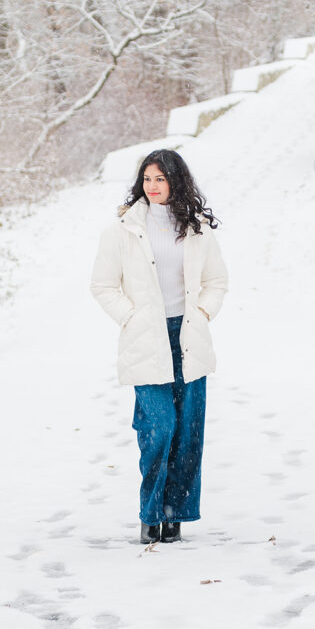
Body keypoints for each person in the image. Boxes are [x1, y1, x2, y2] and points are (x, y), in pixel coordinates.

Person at [90, 148, 228, 545]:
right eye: (147, 179)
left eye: (160, 179)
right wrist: (130, 317)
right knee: (158, 426)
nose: (152, 187)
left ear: (175, 182)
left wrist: (202, 311)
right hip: (145, 338)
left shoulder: (197, 228)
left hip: (188, 336)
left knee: (187, 432)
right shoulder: (122, 229)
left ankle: (176, 516)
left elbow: (218, 280)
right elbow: (101, 285)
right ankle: (151, 513)